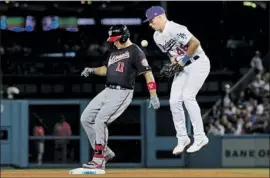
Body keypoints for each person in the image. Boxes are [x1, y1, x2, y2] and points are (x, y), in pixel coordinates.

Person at [80, 24, 160, 171]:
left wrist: (153, 94)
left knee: (100, 121)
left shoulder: (136, 51)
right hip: (107, 90)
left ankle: (99, 159)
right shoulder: (114, 51)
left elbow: (148, 73)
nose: (114, 42)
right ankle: (106, 152)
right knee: (85, 118)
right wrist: (92, 69)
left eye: (116, 39)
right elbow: (105, 70)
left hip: (123, 92)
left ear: (124, 36)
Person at [143, 6, 210, 154]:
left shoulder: (175, 28)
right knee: (174, 101)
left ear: (160, 17)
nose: (150, 24)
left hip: (198, 63)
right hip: (182, 67)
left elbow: (195, 43)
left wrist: (181, 62)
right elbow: (171, 53)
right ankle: (182, 138)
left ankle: (200, 137)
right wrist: (174, 63)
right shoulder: (157, 36)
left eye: (151, 20)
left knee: (188, 97)